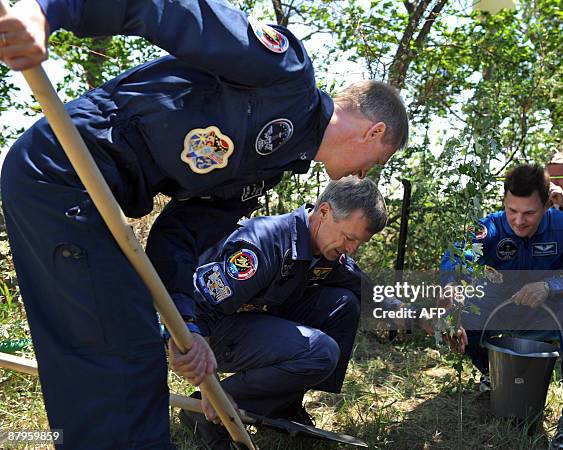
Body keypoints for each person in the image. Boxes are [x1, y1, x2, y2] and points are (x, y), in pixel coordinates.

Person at [0, 1, 408, 448]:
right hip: (65, 169)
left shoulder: (265, 171)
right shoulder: (286, 74)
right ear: (374, 133)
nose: (366, 175)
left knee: (125, 352)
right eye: (378, 162)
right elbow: (166, 8)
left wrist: (186, 326)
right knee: (120, 356)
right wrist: (46, 10)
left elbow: (180, 236)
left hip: (103, 197)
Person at [159, 176, 385, 447]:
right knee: (321, 352)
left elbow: (366, 289)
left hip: (251, 322)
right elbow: (200, 307)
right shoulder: (265, 244)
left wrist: (424, 318)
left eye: (359, 243)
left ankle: (283, 405)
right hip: (209, 329)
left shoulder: (328, 254)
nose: (352, 250)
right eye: (349, 238)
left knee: (344, 304)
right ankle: (205, 412)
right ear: (324, 212)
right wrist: (212, 388)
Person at [441, 164, 563, 450]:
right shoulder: (491, 226)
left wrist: (551, 286)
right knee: (467, 306)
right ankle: (492, 372)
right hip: (505, 311)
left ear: (546, 205)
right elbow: (456, 257)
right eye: (512, 210)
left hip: (553, 314)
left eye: (529, 213)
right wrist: (451, 295)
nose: (518, 221)